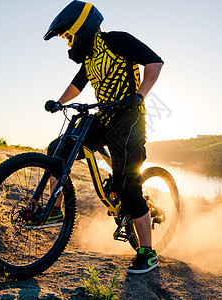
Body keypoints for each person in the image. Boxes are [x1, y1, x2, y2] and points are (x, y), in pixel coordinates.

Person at [43, 0, 163, 274]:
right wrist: (59, 102)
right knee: (57, 148)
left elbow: (155, 63)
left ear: (82, 29)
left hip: (129, 118)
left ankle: (148, 252)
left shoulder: (117, 40)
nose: (68, 43)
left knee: (126, 184)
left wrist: (139, 96)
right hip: (105, 116)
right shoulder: (90, 56)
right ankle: (55, 209)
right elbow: (78, 84)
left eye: (68, 36)